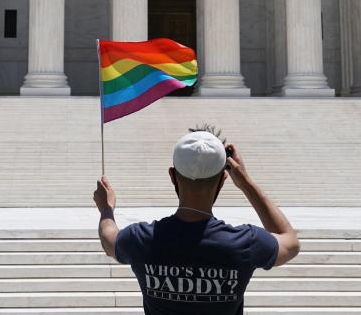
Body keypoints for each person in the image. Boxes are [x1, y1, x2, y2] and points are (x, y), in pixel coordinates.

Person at [93, 127, 301, 313]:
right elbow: (290, 242)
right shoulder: (247, 242)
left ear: (173, 176)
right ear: (223, 179)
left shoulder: (140, 239)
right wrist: (245, 182)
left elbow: (108, 239)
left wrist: (106, 209)